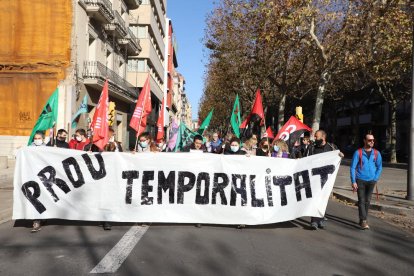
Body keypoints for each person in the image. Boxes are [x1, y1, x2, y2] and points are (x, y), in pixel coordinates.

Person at [308, 130, 343, 230]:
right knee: (315, 199)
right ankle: (314, 221)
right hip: (314, 177)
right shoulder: (312, 148)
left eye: (316, 137)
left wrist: (341, 156)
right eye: (314, 137)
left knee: (323, 199)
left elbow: (338, 157)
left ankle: (321, 218)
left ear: (323, 137)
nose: (315, 138)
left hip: (327, 178)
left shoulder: (332, 147)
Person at [350, 132, 383, 230]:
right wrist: (353, 181)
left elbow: (379, 167)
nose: (372, 142)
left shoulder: (376, 153)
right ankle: (364, 221)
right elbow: (352, 167)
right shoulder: (358, 152)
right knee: (361, 200)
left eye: (373, 140)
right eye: (369, 140)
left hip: (371, 180)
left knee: (367, 201)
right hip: (360, 180)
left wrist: (375, 178)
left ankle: (362, 219)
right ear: (364, 141)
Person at [30, 131, 46, 232]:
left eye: (39, 138)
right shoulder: (28, 149)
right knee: (35, 197)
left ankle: (43, 217)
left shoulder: (47, 149)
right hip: (32, 178)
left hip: (44, 179)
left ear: (43, 139)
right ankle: (36, 221)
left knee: (45, 199)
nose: (37, 140)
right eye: (35, 138)